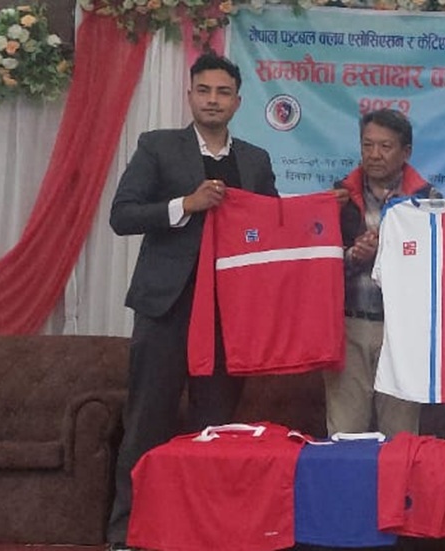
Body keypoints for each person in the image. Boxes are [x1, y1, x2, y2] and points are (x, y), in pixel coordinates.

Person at [106, 53, 277, 551]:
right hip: (167, 309)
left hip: (229, 317)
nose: (212, 100)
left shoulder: (256, 160)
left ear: (238, 102)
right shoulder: (158, 146)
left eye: (223, 93)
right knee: (147, 422)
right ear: (190, 96)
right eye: (204, 91)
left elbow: (270, 229)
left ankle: (205, 532)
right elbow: (122, 215)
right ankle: (128, 532)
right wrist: (186, 205)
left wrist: (318, 213)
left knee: (216, 431)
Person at [326, 108, 436, 437]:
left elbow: (434, 272)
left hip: (403, 331)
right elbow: (319, 266)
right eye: (367, 145)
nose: (374, 154)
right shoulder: (337, 198)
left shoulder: (428, 201)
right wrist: (353, 257)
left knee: (400, 436)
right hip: (348, 327)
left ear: (406, 152)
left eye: (385, 146)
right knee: (345, 433)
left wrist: (386, 254)